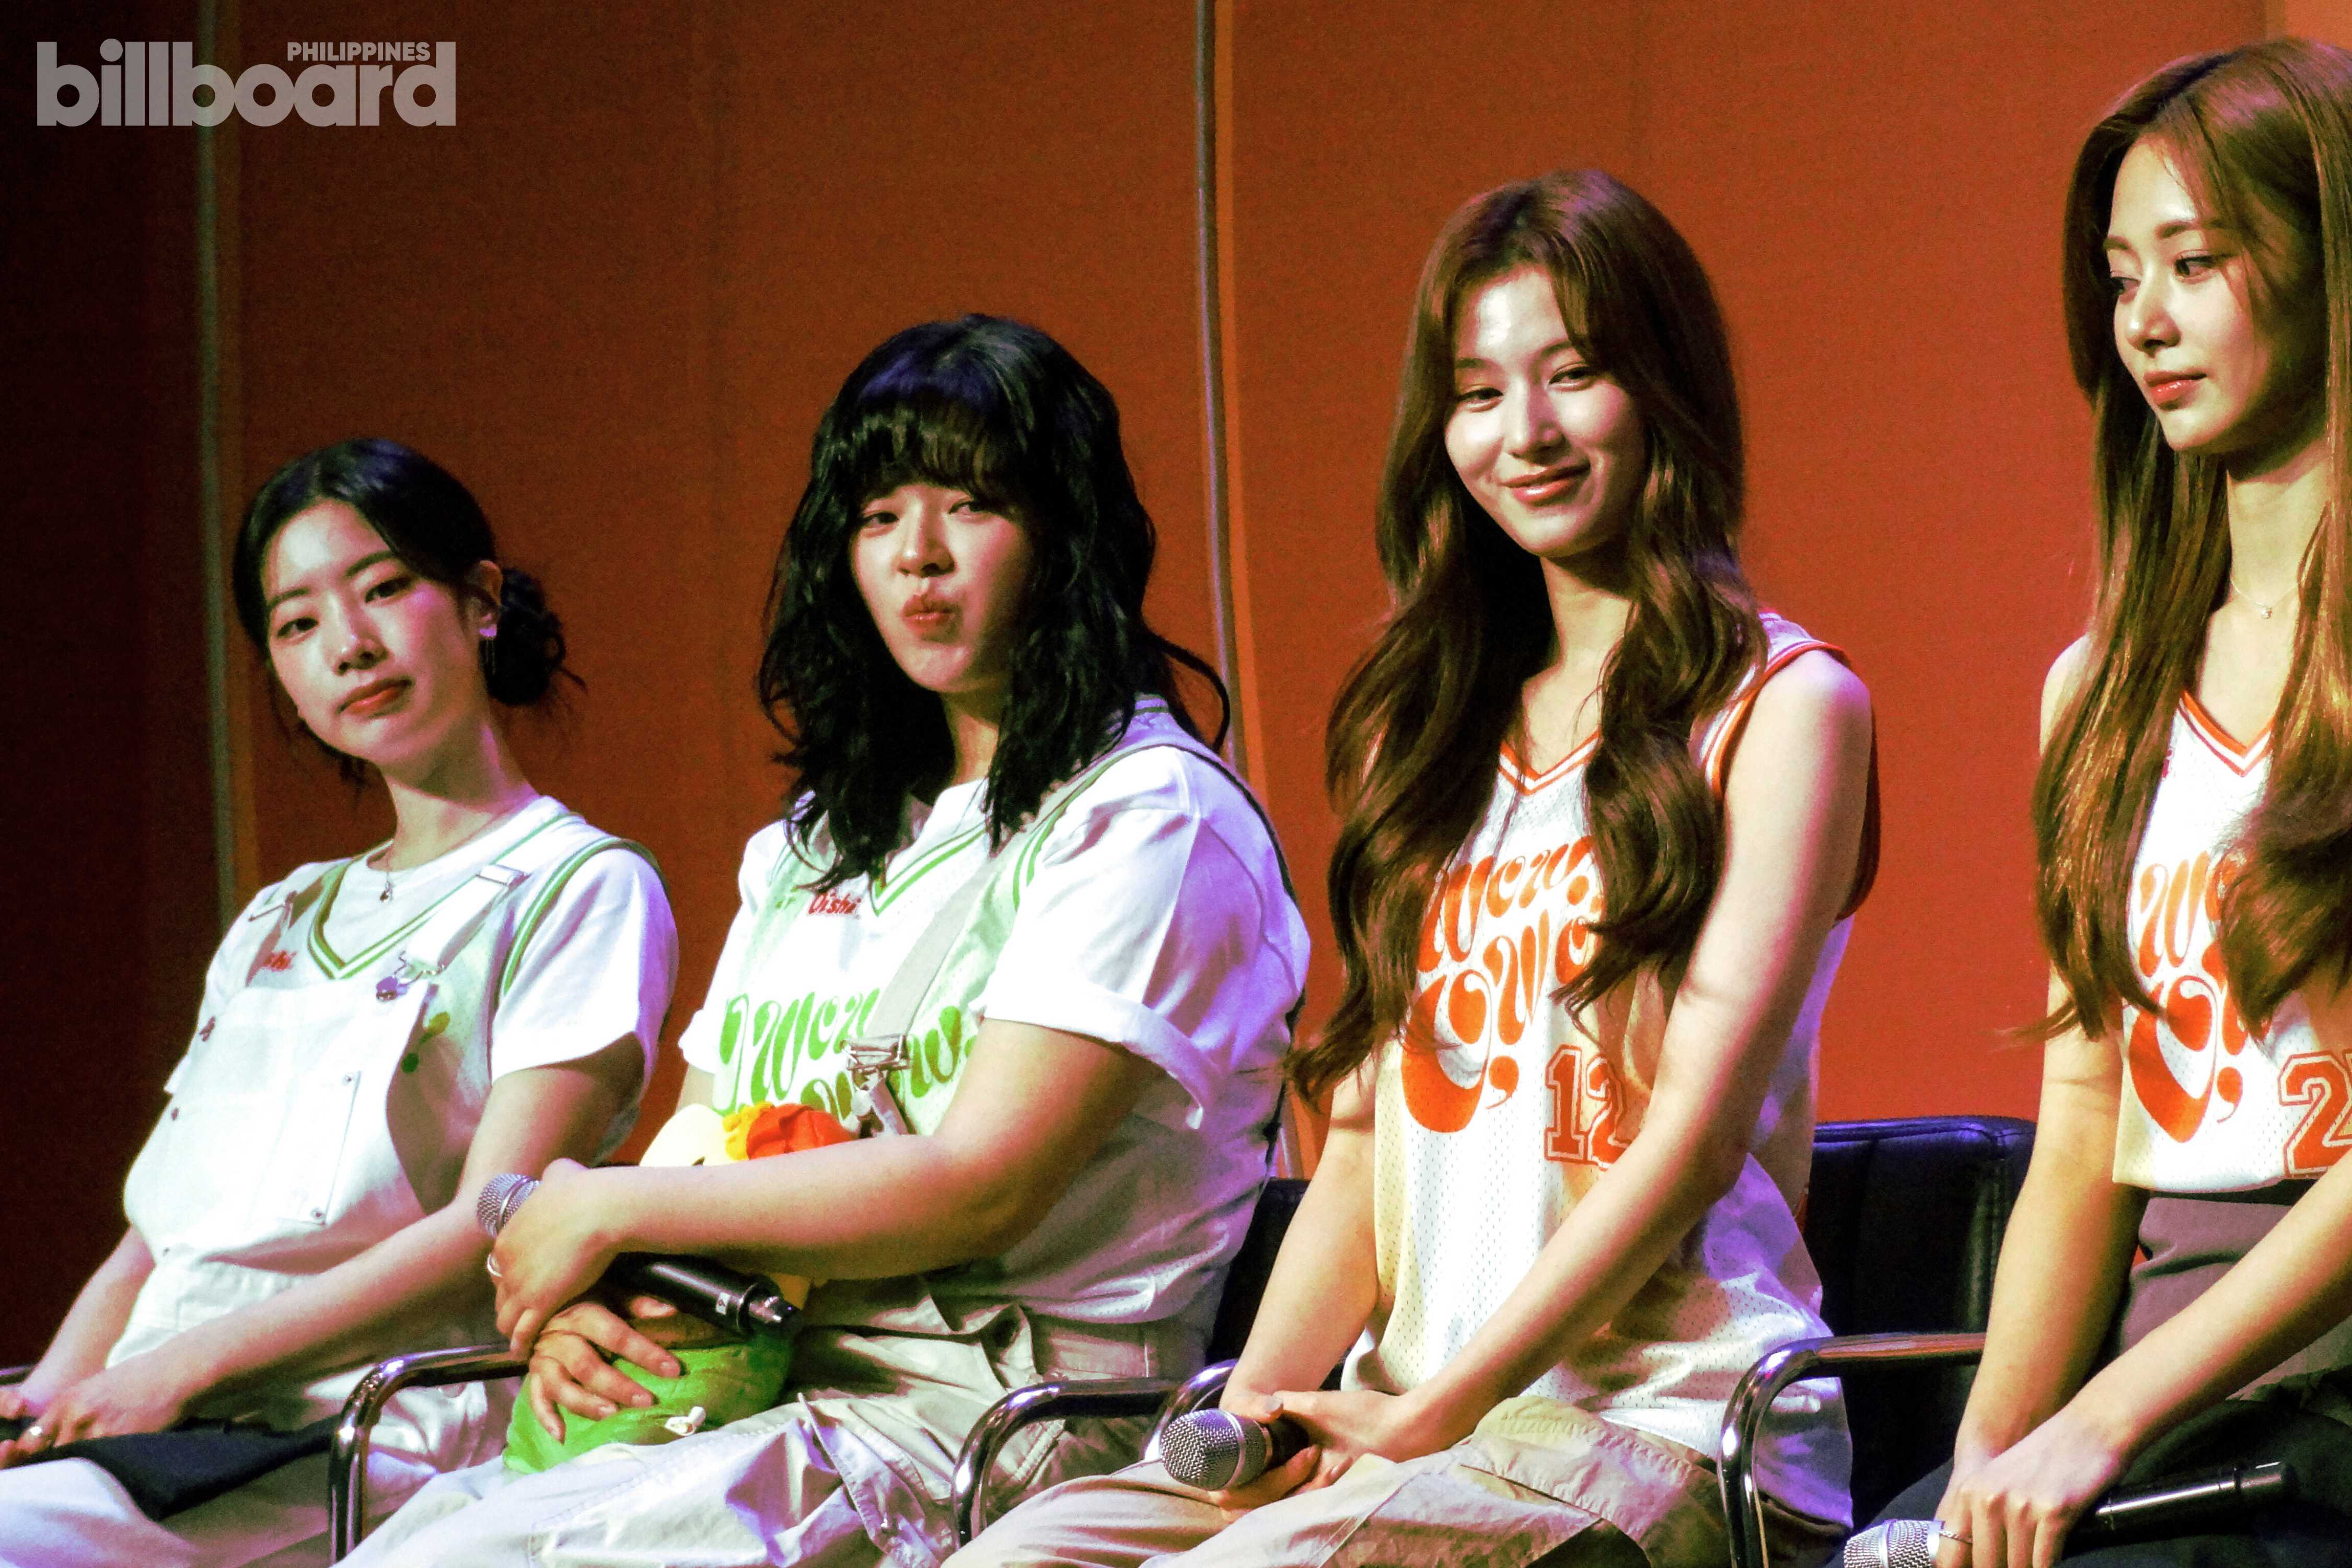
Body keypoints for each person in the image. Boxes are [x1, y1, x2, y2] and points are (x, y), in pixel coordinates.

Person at [951, 168, 1878, 1568]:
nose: (1526, 432)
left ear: (1663, 388)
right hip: (1408, 1429)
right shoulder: (1430, 727)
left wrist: (1445, 1407)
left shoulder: (1785, 708)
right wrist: (1253, 1412)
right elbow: (1366, 1145)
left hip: (1652, 1432)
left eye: (1573, 374)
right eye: (1478, 392)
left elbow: (1690, 1140)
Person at [344, 315, 1311, 1568]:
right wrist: (608, 1300)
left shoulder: (1149, 814)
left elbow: (983, 1179)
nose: (917, 556)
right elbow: (706, 1150)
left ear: (1067, 534)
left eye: (971, 506)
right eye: (876, 517)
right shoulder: (814, 840)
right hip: (754, 1376)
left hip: (990, 1427)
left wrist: (609, 1207)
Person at [0, 437, 678, 1566]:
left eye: (385, 589)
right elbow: (157, 1239)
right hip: (155, 1422)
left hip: (355, 1432)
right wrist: (46, 1406)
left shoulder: (581, 882)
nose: (349, 644)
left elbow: (494, 1224)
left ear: (482, 601)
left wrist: (185, 1369)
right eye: (297, 623)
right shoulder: (280, 913)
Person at [1877, 39, 2352, 1568]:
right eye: (2117, 276)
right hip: (2159, 1391)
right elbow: (2083, 1125)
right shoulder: (2095, 689)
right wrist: (1987, 1452)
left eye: (2194, 263)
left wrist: (2101, 1422)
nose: (2142, 320)